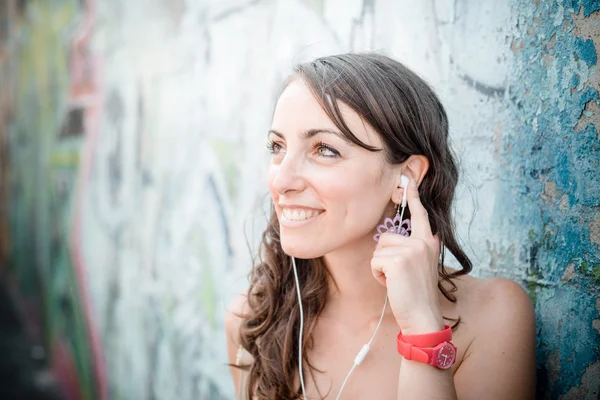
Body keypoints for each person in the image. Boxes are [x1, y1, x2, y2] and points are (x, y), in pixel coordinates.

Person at [225, 53, 536, 400]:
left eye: (324, 149)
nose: (282, 181)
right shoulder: (253, 321)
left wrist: (423, 329)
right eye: (277, 146)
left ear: (406, 176)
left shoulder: (492, 316)